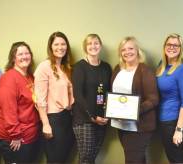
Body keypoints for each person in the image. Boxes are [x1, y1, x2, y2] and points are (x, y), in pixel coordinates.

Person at [111, 36, 159, 163]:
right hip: (120, 124)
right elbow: (113, 95)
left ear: (138, 50)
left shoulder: (145, 70)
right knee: (138, 160)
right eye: (123, 49)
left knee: (132, 161)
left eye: (131, 48)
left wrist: (130, 112)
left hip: (139, 126)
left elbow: (153, 99)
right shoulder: (117, 69)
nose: (127, 52)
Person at [0, 42, 40, 163]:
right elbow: (8, 109)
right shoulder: (8, 78)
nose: (24, 56)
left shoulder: (30, 77)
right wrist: (15, 135)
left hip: (29, 134)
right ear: (13, 58)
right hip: (14, 138)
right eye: (20, 54)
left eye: (27, 53)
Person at [34, 31, 75, 163]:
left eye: (63, 44)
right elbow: (40, 100)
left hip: (68, 118)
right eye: (56, 44)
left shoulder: (66, 66)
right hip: (53, 120)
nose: (60, 47)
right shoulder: (44, 67)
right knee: (55, 160)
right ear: (50, 47)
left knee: (64, 159)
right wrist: (46, 124)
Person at [71, 34, 112, 164]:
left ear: (100, 46)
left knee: (92, 156)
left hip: (102, 119)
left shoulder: (106, 67)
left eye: (96, 43)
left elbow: (108, 93)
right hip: (84, 119)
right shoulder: (80, 67)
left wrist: (107, 115)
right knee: (86, 157)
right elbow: (78, 95)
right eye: (89, 44)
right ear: (85, 47)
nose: (93, 46)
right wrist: (93, 116)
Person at [156, 34, 183, 163]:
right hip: (163, 120)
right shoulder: (162, 65)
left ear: (180, 48)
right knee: (172, 157)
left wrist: (179, 130)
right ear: (164, 47)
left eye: (176, 45)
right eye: (169, 44)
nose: (172, 47)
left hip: (174, 122)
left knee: (177, 159)